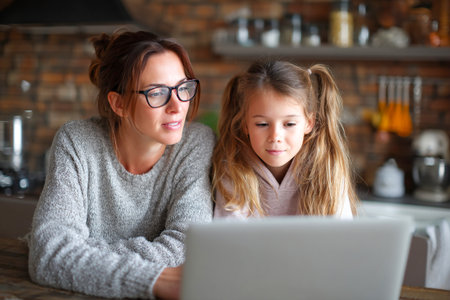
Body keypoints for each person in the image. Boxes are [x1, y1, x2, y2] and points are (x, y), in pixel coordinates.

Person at [28, 30, 215, 300]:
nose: (177, 106)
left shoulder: (196, 143)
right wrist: (153, 279)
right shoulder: (77, 142)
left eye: (183, 87)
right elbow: (49, 255)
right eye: (157, 93)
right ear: (118, 103)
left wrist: (81, 257)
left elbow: (187, 248)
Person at [212, 60, 357, 219]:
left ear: (309, 123)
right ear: (245, 125)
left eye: (289, 124)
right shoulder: (233, 168)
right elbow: (230, 239)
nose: (275, 136)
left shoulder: (328, 168)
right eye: (262, 124)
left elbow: (340, 239)